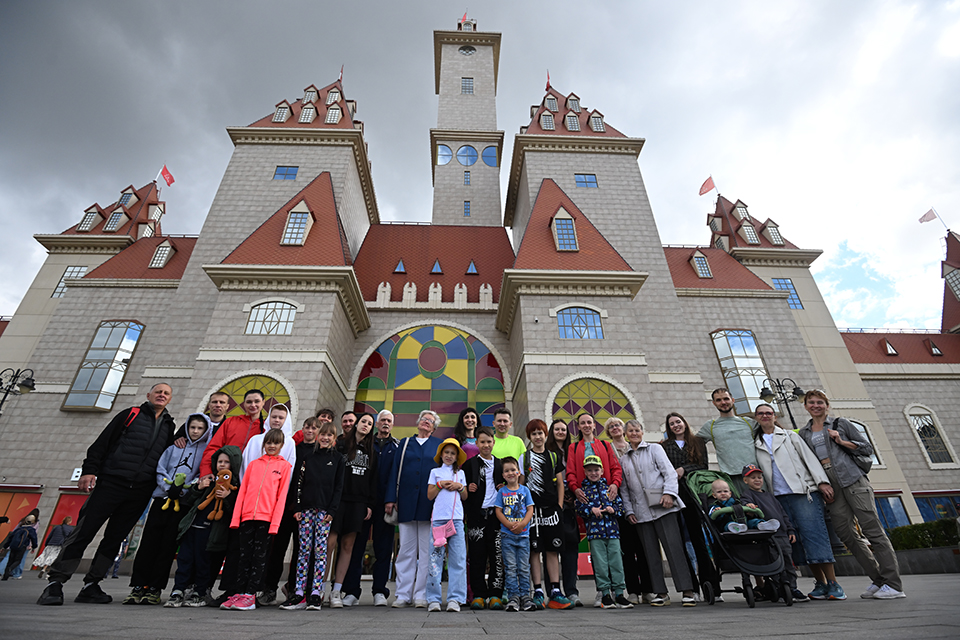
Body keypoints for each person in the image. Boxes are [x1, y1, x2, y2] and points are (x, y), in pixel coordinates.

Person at [39, 383, 177, 606]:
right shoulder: (131, 414)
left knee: (114, 538)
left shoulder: (169, 426)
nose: (162, 395)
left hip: (140, 491)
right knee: (84, 532)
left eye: (166, 393)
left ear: (170, 399)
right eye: (158, 391)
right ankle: (55, 582)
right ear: (149, 394)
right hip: (111, 483)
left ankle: (92, 584)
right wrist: (89, 470)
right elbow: (101, 444)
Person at [798, 390, 905, 600]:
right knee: (846, 534)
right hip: (829, 484)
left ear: (827, 405)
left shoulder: (841, 424)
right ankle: (879, 580)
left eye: (820, 402)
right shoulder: (804, 433)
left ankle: (894, 584)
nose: (815, 405)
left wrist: (841, 441)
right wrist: (821, 484)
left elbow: (867, 448)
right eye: (811, 402)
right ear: (806, 406)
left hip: (853, 479)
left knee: (873, 531)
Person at [752, 401, 842, 601]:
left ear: (774, 416)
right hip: (778, 498)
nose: (765, 416)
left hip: (803, 492)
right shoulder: (756, 444)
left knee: (815, 536)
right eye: (761, 413)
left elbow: (809, 459)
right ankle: (820, 583)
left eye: (768, 413)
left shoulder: (790, 436)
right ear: (756, 418)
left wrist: (822, 482)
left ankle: (833, 583)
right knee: (797, 541)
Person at [124, 412, 213, 605]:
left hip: (182, 503)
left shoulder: (206, 451)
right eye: (192, 427)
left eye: (200, 428)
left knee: (168, 546)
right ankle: (138, 585)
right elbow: (160, 469)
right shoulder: (174, 447)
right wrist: (167, 487)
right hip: (162, 499)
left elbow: (201, 474)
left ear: (206, 431)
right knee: (149, 543)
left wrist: (183, 490)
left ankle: (155, 588)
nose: (195, 431)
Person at [619, 420, 697, 607]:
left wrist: (669, 493)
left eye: (637, 430)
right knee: (650, 553)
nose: (634, 433)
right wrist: (629, 510)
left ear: (642, 432)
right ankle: (661, 592)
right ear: (626, 435)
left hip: (664, 506)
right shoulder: (624, 459)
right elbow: (624, 489)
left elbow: (669, 473)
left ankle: (687, 591)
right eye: (630, 431)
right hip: (641, 511)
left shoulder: (655, 449)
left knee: (674, 548)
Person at [223, 429, 291, 611]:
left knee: (259, 558)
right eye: (269, 442)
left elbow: (281, 497)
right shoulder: (253, 465)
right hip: (247, 517)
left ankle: (250, 595)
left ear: (281, 446)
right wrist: (236, 518)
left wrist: (275, 523)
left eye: (275, 443)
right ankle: (240, 592)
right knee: (243, 556)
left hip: (266, 519)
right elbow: (243, 491)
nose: (271, 446)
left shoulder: (285, 467)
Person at [280, 420, 345, 611]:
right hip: (306, 510)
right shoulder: (308, 457)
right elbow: (299, 484)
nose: (325, 438)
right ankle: (299, 592)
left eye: (329, 435)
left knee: (320, 551)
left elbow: (339, 487)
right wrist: (298, 508)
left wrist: (332, 511)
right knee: (303, 550)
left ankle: (316, 592)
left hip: (324, 512)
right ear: (318, 436)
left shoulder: (338, 459)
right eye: (322, 434)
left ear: (334, 438)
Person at [165, 447, 240, 608]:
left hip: (210, 532)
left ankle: (200, 592)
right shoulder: (208, 480)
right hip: (192, 527)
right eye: (220, 461)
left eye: (226, 462)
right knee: (184, 560)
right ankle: (178, 590)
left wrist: (228, 497)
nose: (222, 465)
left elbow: (234, 510)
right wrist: (197, 488)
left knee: (203, 562)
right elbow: (190, 501)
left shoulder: (234, 486)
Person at [342, 409, 400, 606]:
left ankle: (380, 591)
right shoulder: (366, 444)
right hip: (363, 503)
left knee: (383, 549)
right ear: (377, 423)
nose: (386, 423)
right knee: (357, 547)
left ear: (392, 425)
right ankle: (352, 591)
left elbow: (396, 476)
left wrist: (392, 499)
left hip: (386, 504)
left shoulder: (397, 446)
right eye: (383, 420)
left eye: (389, 421)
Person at [385, 410, 442, 608]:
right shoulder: (405, 443)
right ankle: (402, 594)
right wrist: (390, 498)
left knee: (426, 552)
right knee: (406, 551)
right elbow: (395, 470)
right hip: (406, 501)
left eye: (430, 421)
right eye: (423, 419)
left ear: (434, 427)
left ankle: (421, 594)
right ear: (418, 422)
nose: (426, 422)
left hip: (429, 503)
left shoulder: (439, 445)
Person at [261, 415, 317, 606]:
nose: (310, 431)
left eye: (314, 428)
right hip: (285, 505)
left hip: (305, 508)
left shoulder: (318, 452)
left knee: (301, 550)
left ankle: (293, 587)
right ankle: (269, 588)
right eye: (307, 427)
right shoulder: (293, 447)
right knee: (277, 548)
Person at [659, 412, 712, 599]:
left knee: (699, 541)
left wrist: (683, 469)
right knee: (680, 543)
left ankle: (711, 586)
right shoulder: (665, 446)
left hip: (693, 496)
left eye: (678, 422)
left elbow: (703, 466)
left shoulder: (698, 442)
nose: (676, 426)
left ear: (684, 423)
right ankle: (692, 588)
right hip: (675, 496)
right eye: (672, 424)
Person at [328, 412, 378, 607]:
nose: (366, 425)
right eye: (363, 421)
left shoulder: (371, 451)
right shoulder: (340, 445)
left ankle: (337, 590)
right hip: (338, 501)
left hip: (358, 503)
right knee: (330, 544)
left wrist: (370, 504)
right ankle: (318, 587)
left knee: (348, 546)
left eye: (369, 424)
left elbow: (373, 481)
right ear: (357, 424)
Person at [522, 419, 572, 610]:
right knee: (535, 550)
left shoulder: (553, 456)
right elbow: (521, 484)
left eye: (540, 433)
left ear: (545, 435)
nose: (537, 437)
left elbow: (560, 483)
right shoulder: (524, 457)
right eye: (534, 434)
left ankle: (555, 591)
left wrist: (559, 506)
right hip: (532, 510)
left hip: (552, 510)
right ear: (529, 437)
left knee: (552, 549)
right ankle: (537, 591)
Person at [740, 464, 806, 602]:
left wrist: (790, 529)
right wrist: (748, 506)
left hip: (782, 534)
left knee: (788, 563)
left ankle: (792, 588)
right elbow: (746, 507)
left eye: (759, 477)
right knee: (775, 562)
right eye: (753, 478)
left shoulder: (770, 495)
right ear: (745, 481)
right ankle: (780, 588)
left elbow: (783, 513)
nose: (757, 480)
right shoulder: (747, 495)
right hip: (768, 536)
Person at [576, 455, 632, 609]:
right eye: (589, 470)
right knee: (600, 564)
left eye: (596, 470)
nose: (593, 473)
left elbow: (620, 508)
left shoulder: (609, 489)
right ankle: (605, 593)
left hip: (613, 533)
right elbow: (579, 508)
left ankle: (619, 593)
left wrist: (613, 510)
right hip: (595, 534)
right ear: (585, 472)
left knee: (617, 562)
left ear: (602, 471)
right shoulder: (584, 492)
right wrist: (590, 510)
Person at [603, 415, 648, 604]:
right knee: (627, 549)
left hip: (640, 502)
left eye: (618, 425)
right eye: (611, 426)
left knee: (644, 547)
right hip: (619, 503)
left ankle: (648, 589)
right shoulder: (607, 448)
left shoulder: (634, 447)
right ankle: (633, 590)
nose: (615, 428)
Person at [463, 426, 505, 610]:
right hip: (476, 516)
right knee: (476, 556)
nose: (486, 445)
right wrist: (468, 489)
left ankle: (496, 594)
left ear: (493, 442)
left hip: (496, 517)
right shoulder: (469, 465)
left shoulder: (501, 464)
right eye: (482, 442)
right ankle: (479, 594)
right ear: (477, 443)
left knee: (497, 556)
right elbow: (462, 490)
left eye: (489, 441)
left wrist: (503, 487)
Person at [426, 438, 469, 612]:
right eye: (446, 452)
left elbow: (465, 496)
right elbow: (430, 495)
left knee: (458, 560)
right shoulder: (435, 472)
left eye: (453, 453)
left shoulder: (461, 474)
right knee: (434, 560)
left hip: (456, 520)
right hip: (438, 520)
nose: (449, 456)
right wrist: (439, 484)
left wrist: (460, 486)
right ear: (441, 455)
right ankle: (433, 599)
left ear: (457, 457)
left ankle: (455, 599)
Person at [547, 419, 581, 606]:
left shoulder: (572, 451)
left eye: (563, 429)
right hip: (551, 504)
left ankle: (571, 590)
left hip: (570, 504)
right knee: (550, 548)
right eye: (557, 429)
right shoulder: (546, 451)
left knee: (570, 549)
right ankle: (553, 591)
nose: (560, 432)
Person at [696, 388, 758, 491]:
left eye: (726, 399)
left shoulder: (749, 423)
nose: (723, 402)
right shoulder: (710, 426)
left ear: (732, 400)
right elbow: (692, 443)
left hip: (754, 475)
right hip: (730, 478)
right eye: (718, 400)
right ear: (714, 403)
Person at [495, 456, 535, 612]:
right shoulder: (502, 492)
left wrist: (523, 524)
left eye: (513, 470)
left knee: (524, 567)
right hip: (507, 536)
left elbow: (530, 509)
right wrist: (508, 524)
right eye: (507, 471)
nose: (510, 473)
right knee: (510, 567)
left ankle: (526, 596)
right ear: (503, 475)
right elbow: (498, 511)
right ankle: (513, 597)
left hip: (523, 536)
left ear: (519, 472)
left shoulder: (525, 490)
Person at [199, 389, 265, 477]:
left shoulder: (267, 427)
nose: (253, 405)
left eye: (257, 401)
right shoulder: (231, 422)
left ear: (263, 402)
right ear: (244, 404)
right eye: (249, 402)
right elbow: (213, 448)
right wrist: (206, 472)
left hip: (253, 475)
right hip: (226, 474)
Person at [241, 403, 296, 480]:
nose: (277, 420)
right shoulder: (255, 440)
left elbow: (290, 468)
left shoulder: (289, 443)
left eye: (281, 418)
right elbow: (245, 464)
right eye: (274, 417)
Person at [707, 479, 779, 533]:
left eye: (725, 491)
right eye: (719, 492)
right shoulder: (715, 506)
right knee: (729, 525)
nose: (723, 493)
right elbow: (712, 517)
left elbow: (746, 512)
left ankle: (762, 524)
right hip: (728, 524)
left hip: (745, 522)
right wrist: (717, 512)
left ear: (730, 493)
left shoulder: (737, 502)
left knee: (753, 521)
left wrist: (749, 508)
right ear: (714, 495)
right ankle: (737, 528)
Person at [2, 515, 38, 581]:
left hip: (13, 546)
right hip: (22, 546)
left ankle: (5, 576)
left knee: (10, 560)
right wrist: (34, 547)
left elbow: (10, 538)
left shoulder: (19, 529)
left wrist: (4, 547)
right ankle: (10, 568)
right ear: (33, 522)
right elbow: (34, 539)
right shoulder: (31, 530)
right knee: (18, 560)